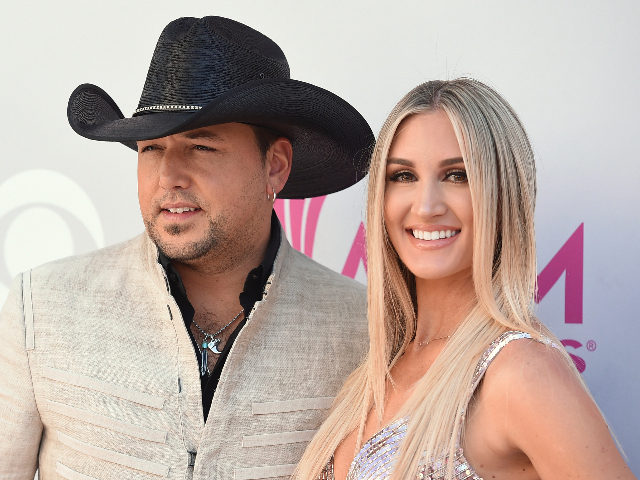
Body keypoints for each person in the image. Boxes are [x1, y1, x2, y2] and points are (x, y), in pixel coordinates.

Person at [0, 16, 374, 480]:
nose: (168, 176)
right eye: (151, 149)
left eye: (200, 146)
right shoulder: (42, 306)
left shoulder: (364, 329)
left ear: (275, 166)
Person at [294, 78, 635, 480]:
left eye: (457, 175)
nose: (425, 206)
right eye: (403, 176)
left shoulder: (521, 372)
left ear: (502, 192)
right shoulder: (376, 368)